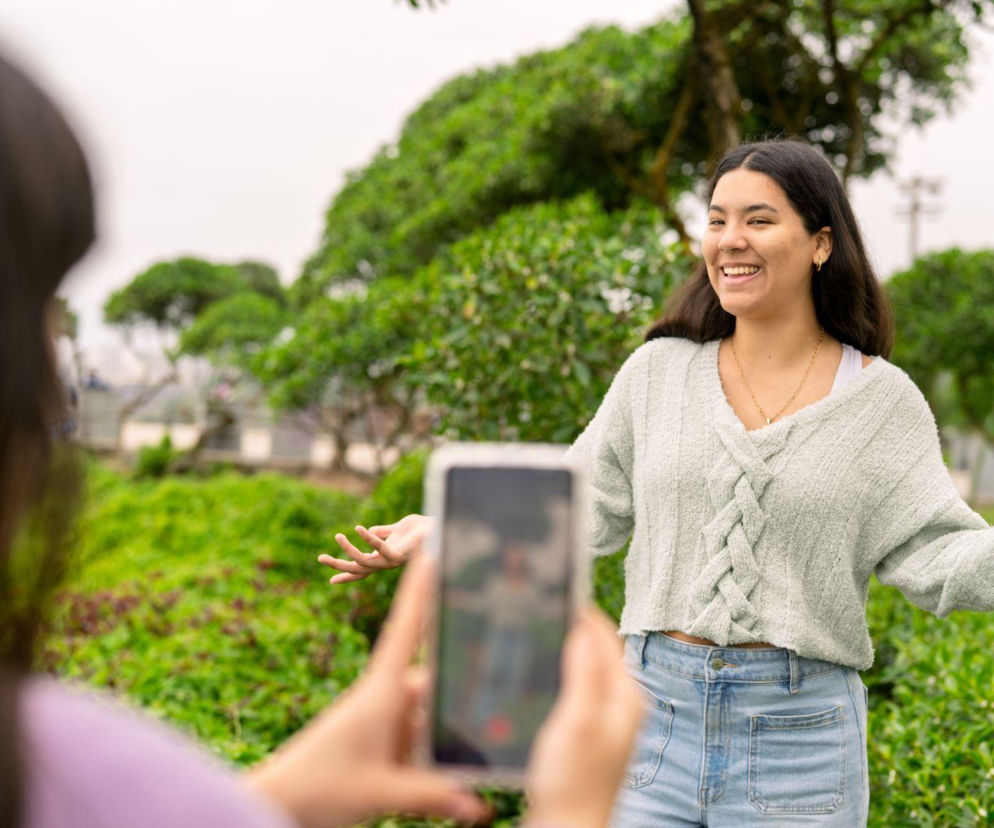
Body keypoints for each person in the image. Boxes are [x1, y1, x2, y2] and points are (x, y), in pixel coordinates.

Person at [0, 52, 645, 828]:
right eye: (40, 307)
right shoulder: (64, 763)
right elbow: (592, 494)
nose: (52, 380)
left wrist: (271, 800)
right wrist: (570, 814)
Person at [322, 138, 994, 826]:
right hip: (648, 717)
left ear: (821, 243)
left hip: (801, 740)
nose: (731, 240)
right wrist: (449, 530)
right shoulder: (658, 374)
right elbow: (581, 507)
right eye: (717, 219)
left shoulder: (883, 402)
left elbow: (934, 552)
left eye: (759, 220)